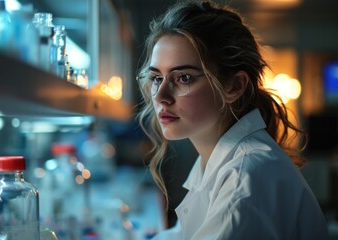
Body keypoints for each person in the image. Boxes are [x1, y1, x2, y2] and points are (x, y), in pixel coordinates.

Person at [136, 0, 329, 239]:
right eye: (156, 78)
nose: (162, 96)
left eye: (183, 77)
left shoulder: (244, 179)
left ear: (234, 86)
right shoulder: (219, 159)